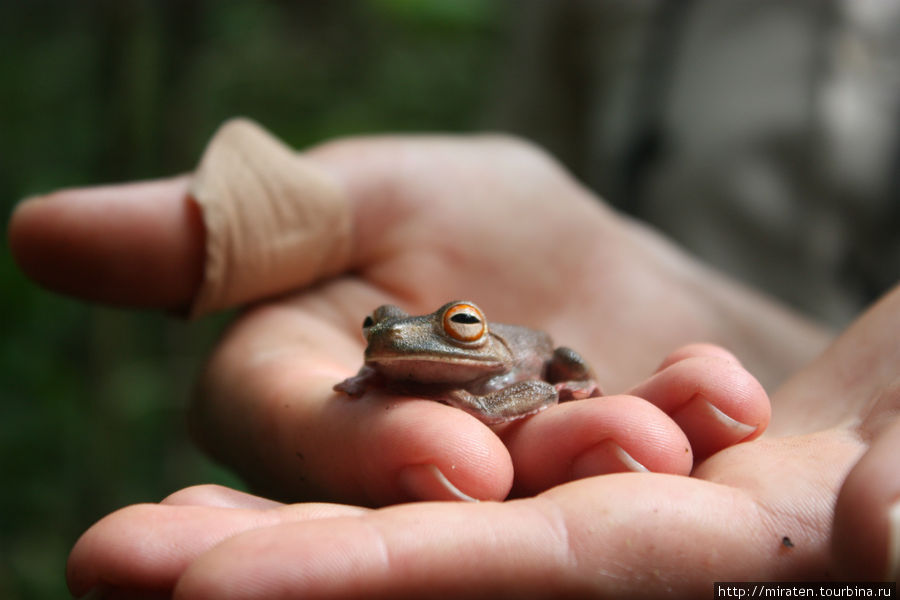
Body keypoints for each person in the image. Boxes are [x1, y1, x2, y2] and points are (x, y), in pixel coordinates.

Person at [8, 128, 898, 598]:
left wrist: (520, 389)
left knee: (564, 385)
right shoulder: (399, 352)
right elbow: (380, 355)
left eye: (453, 324)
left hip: (553, 357)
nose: (395, 342)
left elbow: (535, 371)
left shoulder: (503, 357)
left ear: (470, 329)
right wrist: (371, 370)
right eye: (378, 330)